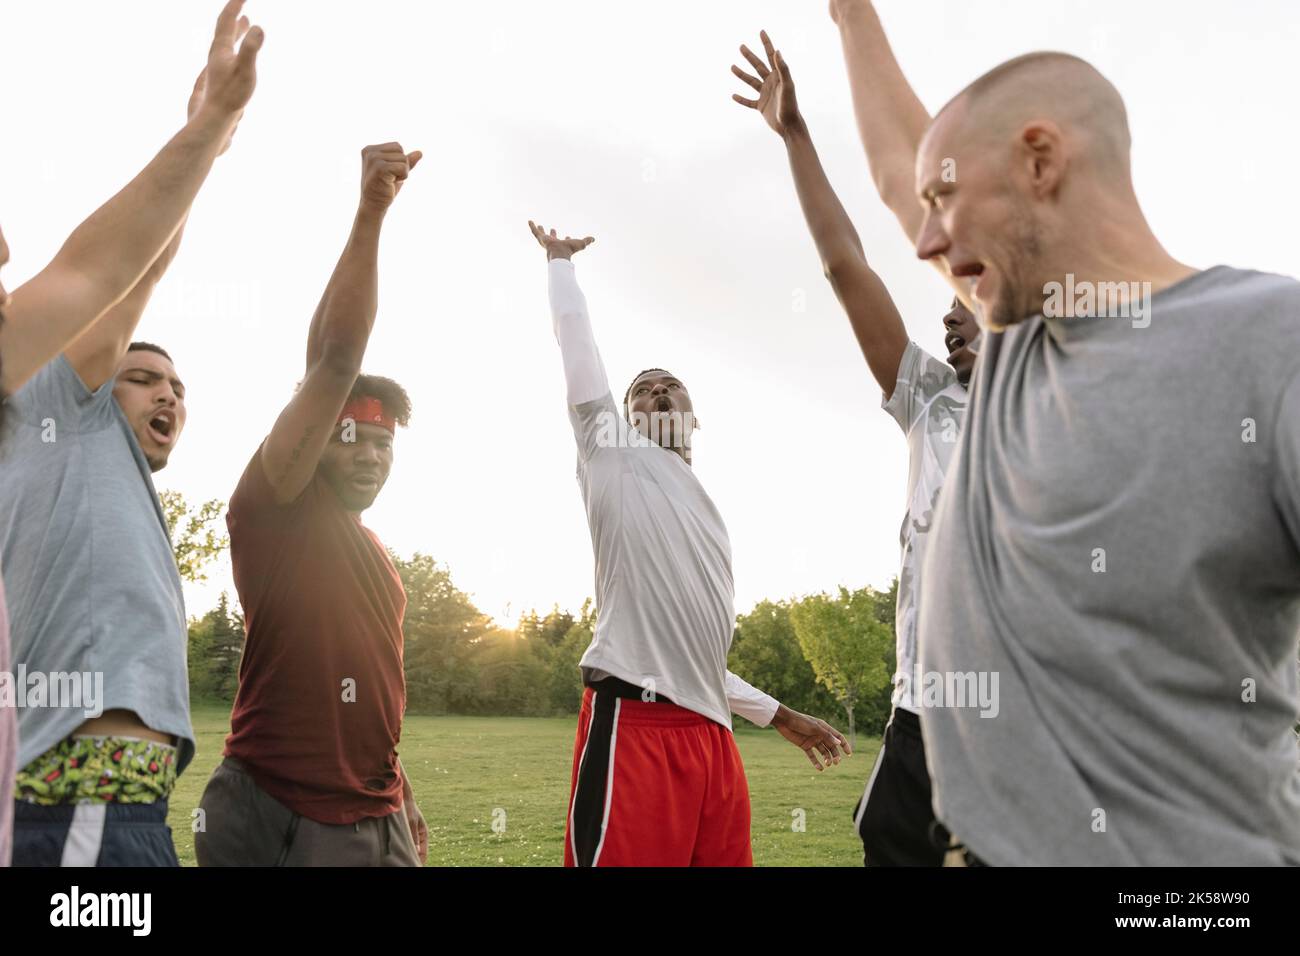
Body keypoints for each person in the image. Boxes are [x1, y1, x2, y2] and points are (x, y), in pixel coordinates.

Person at [913, 49, 1300, 864]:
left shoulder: (1275, 343)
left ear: (1040, 161)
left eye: (943, 196)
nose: (923, 238)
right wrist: (849, 14)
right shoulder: (1016, 346)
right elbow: (890, 158)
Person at [0, 0, 263, 867]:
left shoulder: (62, 433)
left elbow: (131, 270)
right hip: (78, 806)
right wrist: (208, 130)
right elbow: (108, 274)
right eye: (142, 376)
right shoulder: (53, 404)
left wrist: (208, 146)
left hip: (116, 812)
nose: (7, 251)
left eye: (176, 385)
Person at [529, 220, 851, 867]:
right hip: (636, 728)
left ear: (694, 415)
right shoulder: (612, 456)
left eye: (669, 383)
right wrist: (562, 265)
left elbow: (693, 656)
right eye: (641, 389)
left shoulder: (710, 517)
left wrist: (779, 714)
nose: (656, 389)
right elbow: (580, 362)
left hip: (713, 741)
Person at [731, 28, 976, 866]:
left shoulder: (1074, 400)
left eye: (968, 295)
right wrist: (796, 136)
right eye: (944, 303)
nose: (949, 312)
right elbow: (845, 268)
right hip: (919, 720)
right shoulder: (932, 401)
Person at [195, 143, 427, 867]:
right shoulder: (279, 507)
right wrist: (371, 213)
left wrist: (400, 794)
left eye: (384, 446)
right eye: (351, 439)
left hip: (378, 813)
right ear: (313, 442)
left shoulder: (373, 553)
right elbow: (331, 361)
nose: (369, 455)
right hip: (285, 810)